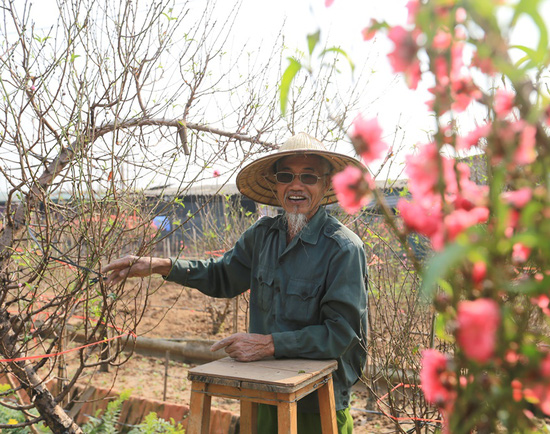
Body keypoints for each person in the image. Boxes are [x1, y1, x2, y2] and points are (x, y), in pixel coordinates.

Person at [103, 132, 369, 433]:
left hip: (317, 404)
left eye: (308, 177)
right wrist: (161, 266)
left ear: (325, 184)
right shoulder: (263, 235)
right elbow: (222, 276)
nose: (296, 185)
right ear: (276, 184)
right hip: (265, 394)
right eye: (286, 176)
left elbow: (339, 334)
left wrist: (269, 344)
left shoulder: (343, 249)